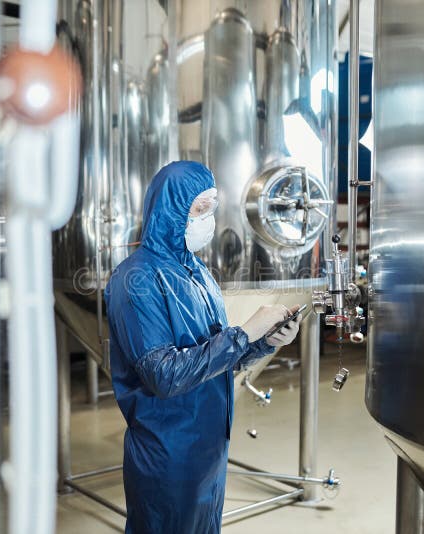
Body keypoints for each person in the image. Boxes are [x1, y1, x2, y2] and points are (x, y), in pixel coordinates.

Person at [104, 161, 301, 534]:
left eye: (212, 207)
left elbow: (215, 357)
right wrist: (243, 333)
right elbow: (164, 375)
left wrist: (265, 341)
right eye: (199, 208)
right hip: (168, 454)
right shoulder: (135, 279)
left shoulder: (198, 273)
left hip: (208, 450)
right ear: (171, 210)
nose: (208, 219)